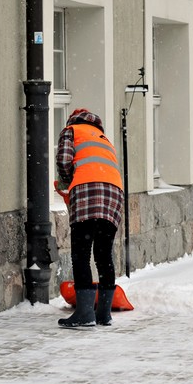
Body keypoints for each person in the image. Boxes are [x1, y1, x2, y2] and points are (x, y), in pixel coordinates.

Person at [55, 108, 123, 328]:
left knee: (81, 254)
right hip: (114, 193)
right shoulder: (103, 138)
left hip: (86, 191)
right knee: (103, 254)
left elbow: (64, 161)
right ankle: (104, 314)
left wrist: (67, 182)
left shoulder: (71, 130)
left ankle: (85, 314)